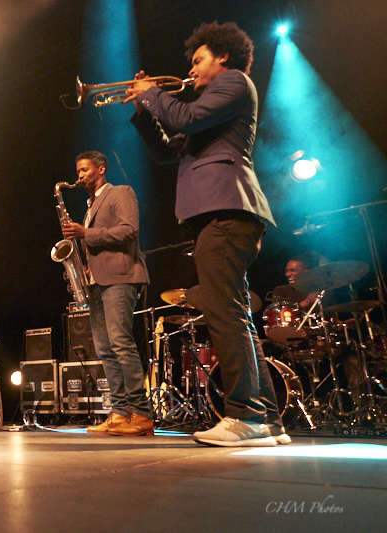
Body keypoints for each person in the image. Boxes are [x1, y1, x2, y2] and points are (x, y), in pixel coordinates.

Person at [124, 21, 289, 446]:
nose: (192, 71)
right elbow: (165, 152)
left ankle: (246, 417)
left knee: (223, 313)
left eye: (198, 61)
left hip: (226, 211)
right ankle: (267, 419)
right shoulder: (213, 111)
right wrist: (144, 113)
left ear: (223, 57)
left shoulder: (234, 84)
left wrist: (153, 93)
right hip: (221, 214)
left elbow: (187, 116)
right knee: (234, 315)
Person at [61, 151, 153, 436]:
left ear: (101, 169)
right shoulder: (91, 206)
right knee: (104, 348)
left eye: (85, 169)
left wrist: (85, 234)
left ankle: (141, 413)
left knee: (121, 343)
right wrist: (86, 267)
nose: (80, 175)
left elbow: (129, 230)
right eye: (77, 171)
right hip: (98, 281)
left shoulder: (120, 192)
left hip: (121, 277)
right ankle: (119, 413)